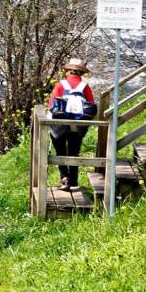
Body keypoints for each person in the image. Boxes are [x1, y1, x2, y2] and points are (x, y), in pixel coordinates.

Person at [48, 58, 95, 192]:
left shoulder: (61, 85)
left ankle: (65, 179)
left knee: (60, 151)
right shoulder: (85, 87)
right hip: (79, 124)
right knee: (74, 151)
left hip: (61, 124)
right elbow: (91, 104)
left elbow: (52, 104)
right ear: (81, 73)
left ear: (68, 71)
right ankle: (74, 181)